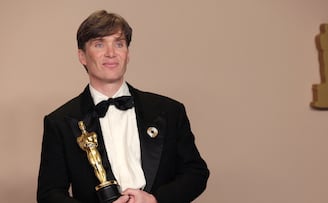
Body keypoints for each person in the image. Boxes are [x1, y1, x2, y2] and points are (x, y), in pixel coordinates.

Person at [37, 10, 209, 203]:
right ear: (82, 56)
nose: (111, 53)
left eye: (119, 44)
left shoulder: (170, 110)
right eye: (99, 44)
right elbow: (49, 195)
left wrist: (155, 200)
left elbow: (196, 173)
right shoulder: (59, 121)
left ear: (127, 54)